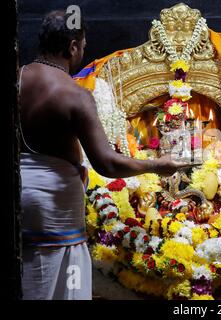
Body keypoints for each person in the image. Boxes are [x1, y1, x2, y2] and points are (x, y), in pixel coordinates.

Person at [18, 10, 190, 300]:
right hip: (54, 209)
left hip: (22, 198)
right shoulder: (74, 94)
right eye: (83, 46)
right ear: (72, 46)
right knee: (59, 281)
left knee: (31, 276)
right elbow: (106, 162)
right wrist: (157, 165)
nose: (83, 53)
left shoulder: (18, 77)